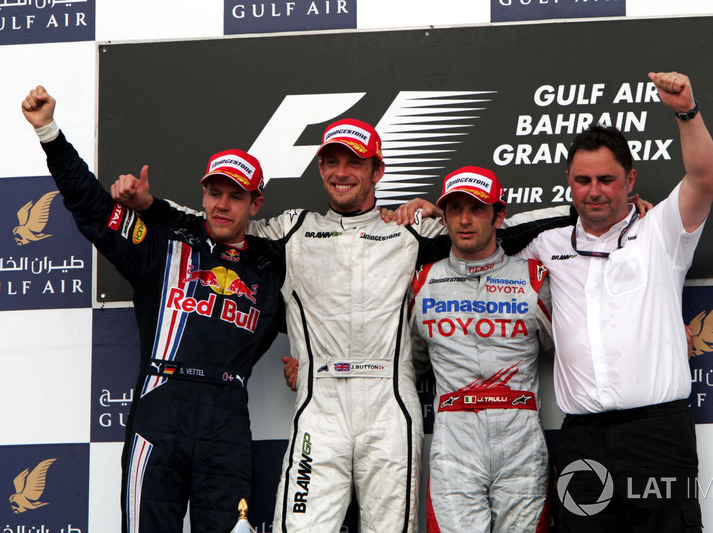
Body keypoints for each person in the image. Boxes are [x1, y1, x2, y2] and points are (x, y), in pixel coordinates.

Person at [111, 118, 572, 532]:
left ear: (378, 171)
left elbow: (505, 232)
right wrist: (149, 205)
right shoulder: (292, 230)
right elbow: (218, 223)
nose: (341, 172)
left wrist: (596, 214)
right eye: (331, 161)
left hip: (389, 403)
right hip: (320, 403)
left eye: (354, 162)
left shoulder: (408, 231)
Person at [22, 86, 285, 533]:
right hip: (160, 407)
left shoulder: (274, 267)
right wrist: (49, 131)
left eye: (235, 196)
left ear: (255, 204)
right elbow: (91, 207)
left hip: (227, 418)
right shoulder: (162, 246)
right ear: (202, 195)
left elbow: (340, 302)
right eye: (214, 193)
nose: (222, 205)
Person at [512, 71, 713, 531]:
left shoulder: (661, 231)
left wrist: (686, 111)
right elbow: (479, 242)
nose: (595, 190)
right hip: (580, 438)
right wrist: (424, 213)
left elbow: (703, 180)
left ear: (631, 180)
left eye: (607, 179)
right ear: (568, 181)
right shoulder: (545, 243)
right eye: (583, 180)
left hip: (658, 435)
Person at [409, 166, 554, 532]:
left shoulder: (534, 278)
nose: (465, 220)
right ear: (443, 216)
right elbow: (409, 361)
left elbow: (578, 350)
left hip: (520, 434)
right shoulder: (423, 281)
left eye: (477, 209)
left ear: (499, 215)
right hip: (455, 437)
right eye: (455, 209)